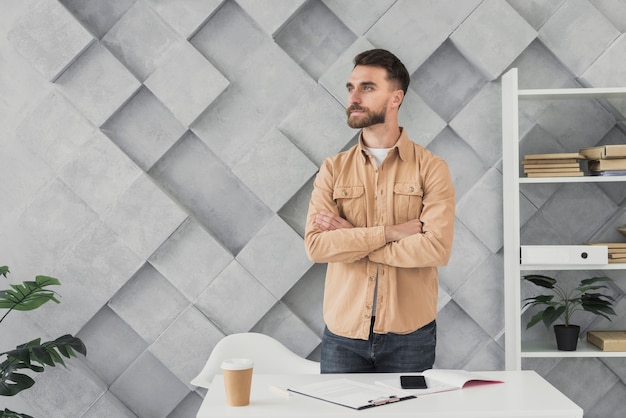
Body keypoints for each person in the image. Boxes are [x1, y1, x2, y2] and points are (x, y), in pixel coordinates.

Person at [304, 49, 455, 373]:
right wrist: (391, 233)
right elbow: (317, 246)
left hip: (410, 334)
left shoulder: (431, 168)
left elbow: (435, 248)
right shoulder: (333, 169)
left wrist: (352, 240)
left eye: (367, 87)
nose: (353, 97)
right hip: (343, 335)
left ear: (395, 98)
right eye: (350, 87)